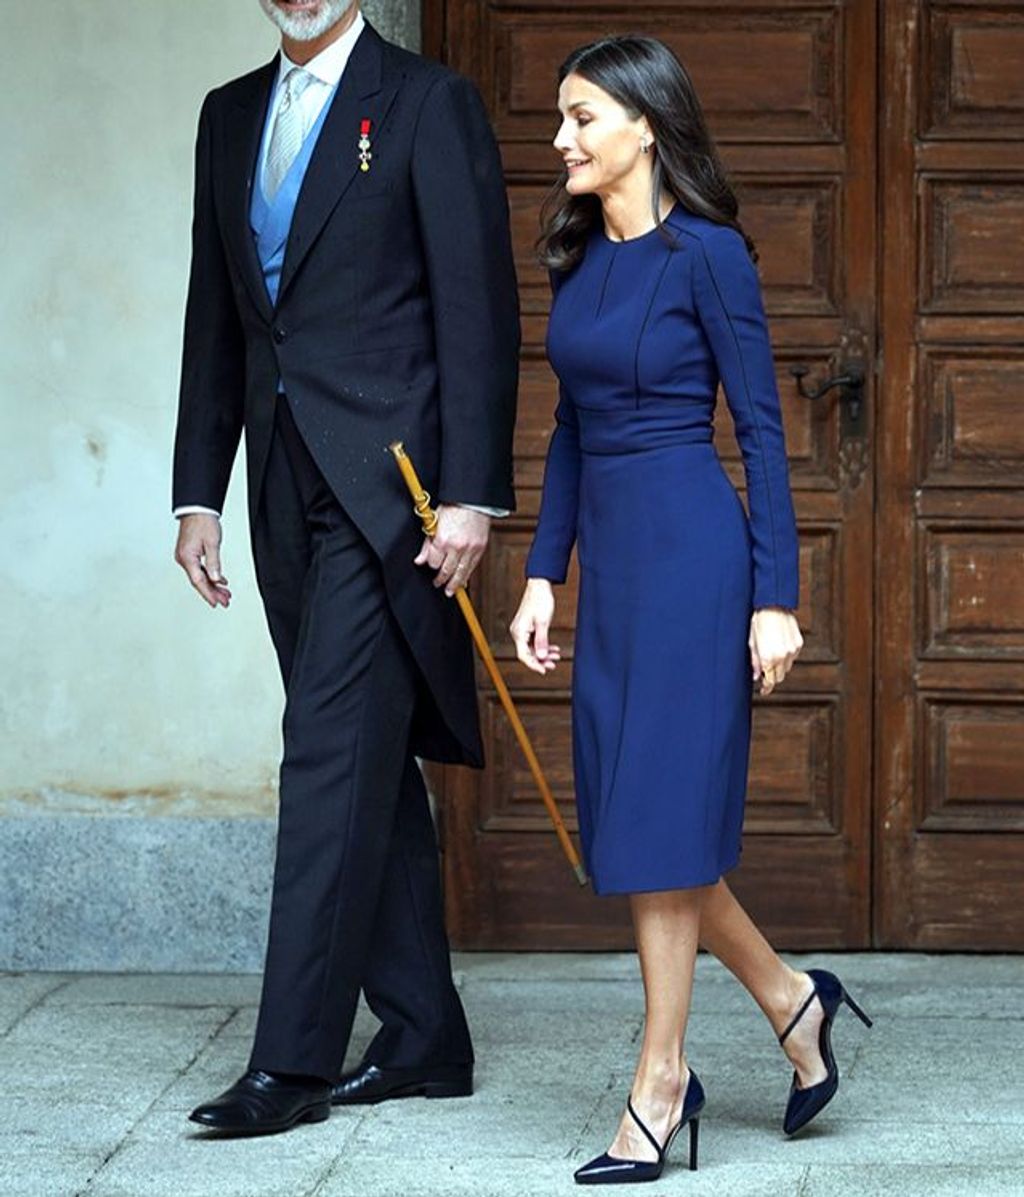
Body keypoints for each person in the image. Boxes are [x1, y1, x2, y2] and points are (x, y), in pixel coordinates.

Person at [509, 35, 871, 1183]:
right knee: (640, 825)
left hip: (694, 561)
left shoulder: (708, 257)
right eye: (560, 119)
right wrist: (540, 572)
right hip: (612, 568)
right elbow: (568, 429)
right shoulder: (577, 264)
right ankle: (790, 997)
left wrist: (776, 598)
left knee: (658, 825)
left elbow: (761, 432)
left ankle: (659, 1084)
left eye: (580, 118)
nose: (560, 137)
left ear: (643, 128)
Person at [172, 0, 519, 1136]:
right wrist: (197, 493)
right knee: (363, 756)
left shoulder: (424, 102)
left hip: (392, 497)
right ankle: (424, 1036)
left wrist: (469, 493)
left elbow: (477, 308)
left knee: (323, 757)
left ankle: (293, 1065)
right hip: (278, 483)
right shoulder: (228, 118)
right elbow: (217, 319)